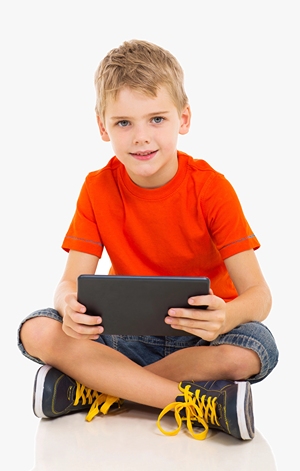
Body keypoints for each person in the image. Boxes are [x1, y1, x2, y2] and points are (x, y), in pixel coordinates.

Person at [18, 39, 278, 441]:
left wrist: (224, 317)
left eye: (156, 119)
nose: (141, 137)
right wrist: (66, 305)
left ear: (184, 118)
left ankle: (94, 388)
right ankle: (195, 404)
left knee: (252, 349)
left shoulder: (211, 189)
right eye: (124, 123)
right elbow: (69, 283)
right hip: (121, 337)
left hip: (200, 341)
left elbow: (259, 296)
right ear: (103, 127)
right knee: (35, 330)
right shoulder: (97, 188)